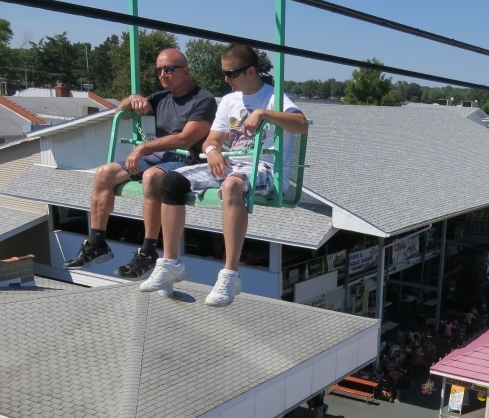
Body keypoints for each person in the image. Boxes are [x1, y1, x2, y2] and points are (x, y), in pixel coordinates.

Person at [149, 44, 309, 306]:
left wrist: (264, 114)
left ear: (251, 71)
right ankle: (170, 263)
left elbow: (301, 124)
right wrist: (212, 151)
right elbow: (212, 139)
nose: (226, 79)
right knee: (172, 181)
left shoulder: (274, 98)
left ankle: (230, 274)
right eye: (224, 74)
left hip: (264, 168)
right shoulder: (228, 101)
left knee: (232, 186)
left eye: (231, 74)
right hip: (233, 164)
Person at [64, 49, 217, 278]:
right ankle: (97, 242)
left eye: (168, 69)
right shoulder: (162, 97)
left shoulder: (203, 100)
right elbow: (121, 111)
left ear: (186, 71)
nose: (162, 75)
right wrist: (132, 98)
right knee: (104, 173)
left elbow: (187, 139)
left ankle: (148, 251)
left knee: (152, 177)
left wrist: (143, 147)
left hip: (186, 159)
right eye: (159, 70)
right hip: (160, 156)